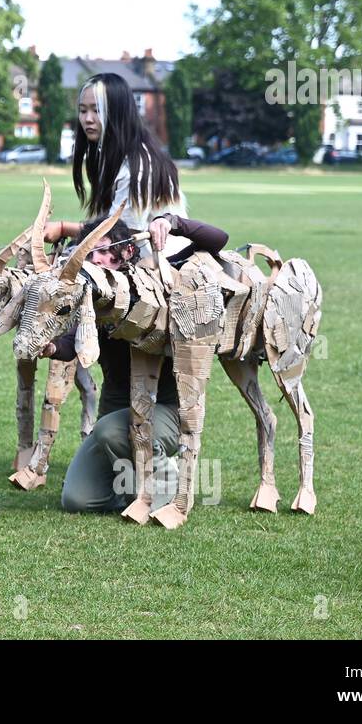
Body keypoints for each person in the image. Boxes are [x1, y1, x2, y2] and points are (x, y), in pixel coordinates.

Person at [44, 212, 228, 513]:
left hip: (165, 412)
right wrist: (50, 347)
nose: (97, 260)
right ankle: (133, 486)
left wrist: (171, 222)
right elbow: (74, 342)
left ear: (128, 251)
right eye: (90, 254)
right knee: (78, 500)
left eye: (104, 251)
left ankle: (168, 489)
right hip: (114, 415)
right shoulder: (93, 296)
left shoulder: (160, 277)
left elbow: (218, 239)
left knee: (111, 432)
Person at [44, 72, 186, 259]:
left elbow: (121, 234)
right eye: (83, 110)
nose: (88, 119)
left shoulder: (138, 164)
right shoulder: (113, 156)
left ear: (118, 112)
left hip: (161, 266)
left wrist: (63, 228)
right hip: (134, 257)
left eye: (97, 110)